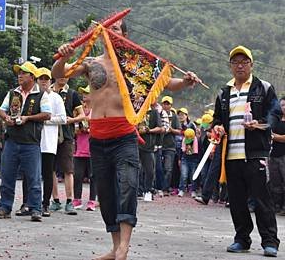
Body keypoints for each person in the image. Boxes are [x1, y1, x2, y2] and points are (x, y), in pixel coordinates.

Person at [52, 19, 199, 260]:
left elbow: (166, 83)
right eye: (108, 29)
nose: (110, 32)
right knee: (106, 194)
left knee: (128, 186)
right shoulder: (91, 63)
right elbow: (60, 73)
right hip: (98, 137)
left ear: (125, 36)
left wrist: (185, 81)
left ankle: (124, 248)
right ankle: (115, 246)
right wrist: (63, 56)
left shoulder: (136, 65)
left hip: (124, 136)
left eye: (116, 28)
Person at [212, 46, 279, 257]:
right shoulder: (224, 92)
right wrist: (217, 127)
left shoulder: (264, 88)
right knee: (237, 201)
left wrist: (261, 124)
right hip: (231, 155)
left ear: (251, 64)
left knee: (262, 199)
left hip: (256, 154)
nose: (240, 65)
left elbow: (275, 113)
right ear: (230, 66)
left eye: (244, 62)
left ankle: (270, 242)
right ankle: (242, 239)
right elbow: (216, 119)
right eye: (235, 62)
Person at [0, 61, 52, 222]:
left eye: (23, 73)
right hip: (11, 140)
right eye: (19, 73)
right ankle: (4, 207)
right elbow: (2, 110)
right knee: (7, 176)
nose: (19, 75)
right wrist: (6, 119)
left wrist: (27, 118)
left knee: (33, 177)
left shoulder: (41, 95)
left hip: (31, 142)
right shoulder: (13, 93)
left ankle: (36, 209)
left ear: (32, 77)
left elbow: (47, 114)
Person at [15, 67, 65, 217]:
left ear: (50, 81)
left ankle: (45, 204)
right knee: (28, 173)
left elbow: (63, 118)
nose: (44, 81)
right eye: (41, 78)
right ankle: (27, 203)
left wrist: (45, 120)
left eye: (46, 79)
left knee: (47, 173)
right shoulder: (32, 96)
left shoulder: (55, 98)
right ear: (36, 80)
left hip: (48, 142)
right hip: (32, 140)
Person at [50, 77, 85, 215]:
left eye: (66, 74)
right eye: (60, 74)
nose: (63, 77)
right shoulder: (47, 92)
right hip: (49, 134)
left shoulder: (72, 94)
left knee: (68, 169)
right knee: (50, 168)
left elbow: (82, 115)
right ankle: (55, 200)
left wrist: (72, 120)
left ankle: (70, 201)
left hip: (67, 135)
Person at [74, 86, 98, 210]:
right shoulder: (79, 110)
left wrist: (89, 128)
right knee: (77, 175)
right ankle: (77, 200)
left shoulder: (97, 110)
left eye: (87, 92)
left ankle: (92, 201)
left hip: (93, 149)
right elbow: (75, 126)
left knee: (93, 176)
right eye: (83, 92)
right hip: (79, 149)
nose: (84, 95)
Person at [157, 96, 180, 197]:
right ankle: (157, 187)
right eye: (164, 104)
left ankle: (165, 188)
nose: (166, 106)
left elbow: (179, 131)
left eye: (168, 104)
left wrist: (171, 130)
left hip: (170, 146)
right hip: (158, 144)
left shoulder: (174, 116)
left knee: (168, 168)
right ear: (162, 105)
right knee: (157, 168)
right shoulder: (158, 114)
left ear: (171, 105)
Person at [268, 97, 285, 216]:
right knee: (275, 183)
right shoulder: (275, 120)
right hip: (273, 155)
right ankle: (276, 206)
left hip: (284, 156)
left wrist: (273, 136)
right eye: (282, 105)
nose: (283, 107)